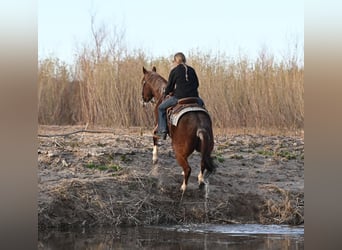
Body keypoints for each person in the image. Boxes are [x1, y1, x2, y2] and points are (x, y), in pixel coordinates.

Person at [156, 52, 204, 140]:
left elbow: (169, 87)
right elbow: (197, 84)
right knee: (202, 106)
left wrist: (167, 93)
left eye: (173, 61)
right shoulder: (192, 70)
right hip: (194, 98)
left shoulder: (174, 71)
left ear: (176, 61)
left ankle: (162, 131)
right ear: (184, 60)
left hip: (179, 97)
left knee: (161, 108)